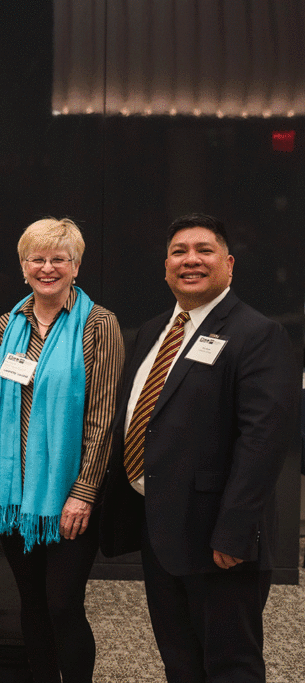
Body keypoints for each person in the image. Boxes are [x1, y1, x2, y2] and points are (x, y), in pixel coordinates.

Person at [100, 213, 298, 682]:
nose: (191, 260)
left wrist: (232, 532)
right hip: (160, 530)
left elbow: (263, 442)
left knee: (230, 665)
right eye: (178, 252)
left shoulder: (257, 334)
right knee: (180, 660)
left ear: (228, 264)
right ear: (165, 266)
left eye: (204, 250)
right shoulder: (152, 332)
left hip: (219, 540)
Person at [0, 218, 123, 683]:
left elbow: (103, 418)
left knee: (63, 604)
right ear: (23, 266)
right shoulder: (9, 323)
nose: (47, 268)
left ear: (75, 266)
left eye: (58, 259)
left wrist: (83, 492)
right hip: (15, 494)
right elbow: (1, 404)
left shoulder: (99, 325)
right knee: (33, 604)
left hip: (68, 496)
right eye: (37, 259)